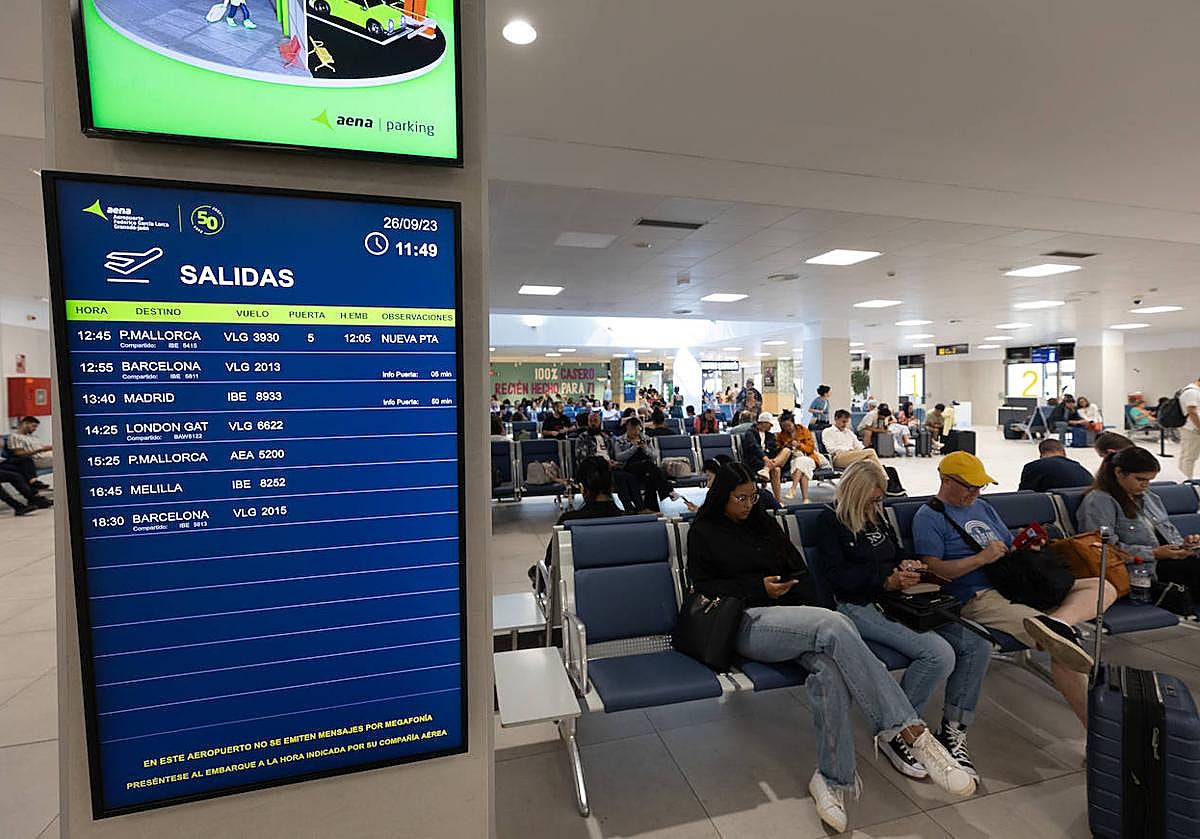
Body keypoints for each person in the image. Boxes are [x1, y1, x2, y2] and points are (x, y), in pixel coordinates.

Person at [688, 464, 976, 831]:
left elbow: (799, 569)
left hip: (795, 620)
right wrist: (760, 588)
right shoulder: (705, 530)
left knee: (831, 672)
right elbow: (705, 586)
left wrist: (795, 592)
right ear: (722, 496)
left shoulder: (763, 521)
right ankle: (910, 732)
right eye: (739, 498)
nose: (747, 504)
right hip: (745, 622)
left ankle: (832, 779)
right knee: (834, 623)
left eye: (751, 496)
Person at [912, 452, 1116, 727]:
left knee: (1101, 586)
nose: (975, 492)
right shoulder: (929, 517)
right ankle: (1100, 734)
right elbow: (936, 571)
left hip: (1014, 584)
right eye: (969, 486)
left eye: (979, 486)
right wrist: (980, 558)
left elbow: (1008, 545)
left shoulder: (983, 507)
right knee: (1064, 650)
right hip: (977, 595)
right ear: (946, 481)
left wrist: (1025, 547)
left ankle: (1057, 623)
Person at [820, 461, 991, 781]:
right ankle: (897, 729)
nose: (876, 506)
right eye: (871, 500)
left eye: (879, 500)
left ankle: (953, 727)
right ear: (854, 494)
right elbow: (837, 579)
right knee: (939, 654)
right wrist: (884, 581)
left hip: (897, 598)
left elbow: (893, 552)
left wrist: (906, 564)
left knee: (977, 643)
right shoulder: (831, 521)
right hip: (859, 605)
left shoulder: (877, 516)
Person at [1078, 446, 1200, 597]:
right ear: (1119, 472)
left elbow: (1168, 533)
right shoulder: (1099, 501)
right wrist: (1154, 553)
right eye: (1140, 479)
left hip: (1169, 563)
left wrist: (1185, 545)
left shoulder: (1149, 497)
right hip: (1140, 572)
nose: (1145, 485)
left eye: (1149, 480)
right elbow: (1102, 549)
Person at [531, 456, 628, 584]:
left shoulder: (569, 522)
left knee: (536, 572)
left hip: (580, 594)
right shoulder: (630, 520)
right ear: (611, 486)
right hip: (623, 588)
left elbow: (551, 565)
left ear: (582, 488)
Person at [613, 417, 688, 512]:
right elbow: (618, 457)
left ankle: (651, 509)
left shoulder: (645, 438)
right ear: (627, 428)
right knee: (650, 466)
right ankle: (668, 491)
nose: (635, 432)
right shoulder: (620, 440)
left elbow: (654, 455)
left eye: (637, 429)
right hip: (630, 467)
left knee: (651, 477)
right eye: (633, 429)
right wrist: (633, 448)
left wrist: (645, 448)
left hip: (647, 468)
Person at [823, 411, 906, 496]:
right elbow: (830, 449)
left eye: (846, 422)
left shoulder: (848, 432)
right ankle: (886, 480)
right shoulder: (828, 431)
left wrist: (858, 451)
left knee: (880, 464)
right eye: (843, 421)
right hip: (838, 457)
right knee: (871, 452)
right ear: (836, 419)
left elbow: (859, 446)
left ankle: (885, 485)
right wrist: (848, 450)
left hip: (853, 455)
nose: (845, 424)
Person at [575, 411, 645, 512]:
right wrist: (604, 463)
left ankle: (638, 507)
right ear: (587, 423)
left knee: (629, 477)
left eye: (595, 421)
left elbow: (614, 454)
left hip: (609, 467)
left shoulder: (607, 437)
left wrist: (614, 462)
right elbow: (583, 460)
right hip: (594, 470)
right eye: (591, 421)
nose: (593, 423)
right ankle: (630, 508)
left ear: (600, 422)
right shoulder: (582, 438)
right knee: (621, 478)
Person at [740, 412, 791, 501]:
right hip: (754, 462)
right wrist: (765, 458)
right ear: (763, 423)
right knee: (776, 469)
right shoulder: (750, 433)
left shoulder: (770, 436)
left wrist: (782, 447)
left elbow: (773, 451)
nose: (771, 427)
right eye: (770, 425)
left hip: (768, 462)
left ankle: (767, 470)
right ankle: (778, 501)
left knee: (786, 451)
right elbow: (754, 447)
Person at [775, 411, 821, 502]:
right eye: (784, 426)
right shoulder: (781, 435)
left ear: (793, 423)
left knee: (801, 462)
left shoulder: (803, 430)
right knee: (803, 469)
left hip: (809, 457)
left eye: (789, 425)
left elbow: (810, 449)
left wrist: (799, 445)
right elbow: (778, 451)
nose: (787, 428)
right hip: (793, 460)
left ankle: (793, 488)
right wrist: (786, 445)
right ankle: (805, 499)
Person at [1018, 439, 1094, 492]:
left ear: (1041, 455)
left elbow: (1023, 496)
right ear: (1064, 452)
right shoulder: (1078, 466)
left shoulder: (1033, 466)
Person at [5, 416, 52, 487]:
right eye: (33, 426)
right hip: (35, 460)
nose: (35, 429)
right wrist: (40, 450)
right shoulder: (15, 437)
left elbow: (42, 448)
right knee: (64, 460)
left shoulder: (33, 437)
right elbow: (18, 453)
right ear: (25, 423)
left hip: (45, 456)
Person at [1179, 376, 1200, 479]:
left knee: (1186, 456)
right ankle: (1186, 482)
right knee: (1189, 458)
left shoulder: (1192, 391)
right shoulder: (1192, 392)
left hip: (1191, 428)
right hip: (1192, 429)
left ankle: (1181, 479)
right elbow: (1192, 412)